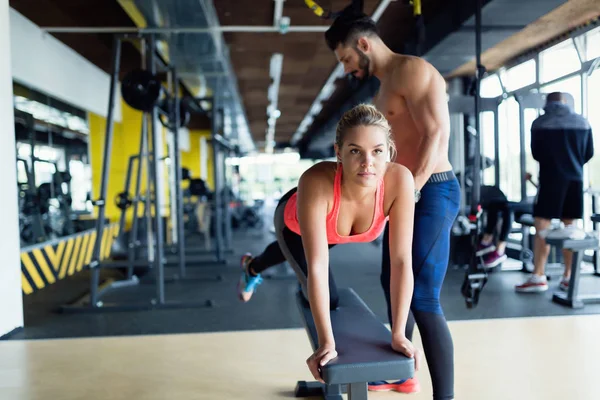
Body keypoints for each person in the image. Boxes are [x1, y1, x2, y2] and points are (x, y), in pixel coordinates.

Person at [323, 9, 460, 400]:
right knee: (393, 281)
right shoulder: (384, 90)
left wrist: (409, 193)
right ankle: (404, 374)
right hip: (407, 194)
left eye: (348, 58)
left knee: (423, 297)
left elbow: (436, 134)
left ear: (363, 44)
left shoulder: (413, 71)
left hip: (431, 190)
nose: (349, 68)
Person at [238, 104, 420, 385]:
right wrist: (327, 343)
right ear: (338, 152)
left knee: (288, 257)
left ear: (389, 152)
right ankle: (252, 268)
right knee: (325, 293)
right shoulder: (315, 181)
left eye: (377, 151)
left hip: (334, 231)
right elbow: (318, 266)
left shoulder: (400, 181)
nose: (367, 162)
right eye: (355, 150)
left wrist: (398, 334)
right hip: (295, 224)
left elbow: (401, 261)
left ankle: (253, 265)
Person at [516, 92, 594, 293]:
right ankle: (568, 276)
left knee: (541, 226)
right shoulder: (582, 122)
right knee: (570, 229)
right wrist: (572, 164)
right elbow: (588, 153)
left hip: (550, 180)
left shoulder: (540, 123)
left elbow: (536, 153)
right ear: (566, 102)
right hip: (575, 180)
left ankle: (538, 276)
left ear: (547, 104)